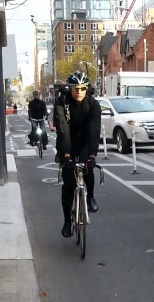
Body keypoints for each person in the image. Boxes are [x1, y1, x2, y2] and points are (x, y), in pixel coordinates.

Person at [53, 71, 101, 238]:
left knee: (88, 168)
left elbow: (94, 131)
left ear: (86, 89)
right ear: (70, 89)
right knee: (68, 184)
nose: (78, 92)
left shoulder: (93, 105)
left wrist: (92, 156)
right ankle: (67, 221)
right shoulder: (62, 103)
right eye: (75, 89)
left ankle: (91, 197)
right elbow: (63, 130)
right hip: (67, 141)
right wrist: (66, 155)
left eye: (82, 88)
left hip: (85, 141)